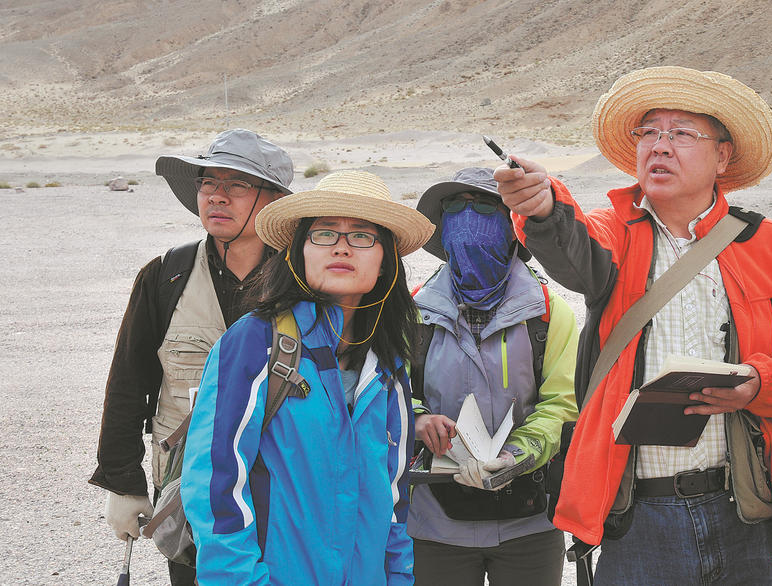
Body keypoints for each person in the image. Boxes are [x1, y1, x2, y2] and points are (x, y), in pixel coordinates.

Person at [494, 66, 772, 583]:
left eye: (681, 133)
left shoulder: (768, 244)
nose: (659, 146)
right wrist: (544, 206)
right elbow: (573, 251)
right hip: (641, 521)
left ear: (722, 156)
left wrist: (758, 383)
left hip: (752, 509)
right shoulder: (614, 232)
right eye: (649, 132)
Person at [180, 170, 434, 584]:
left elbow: (394, 493)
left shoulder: (388, 365)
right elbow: (215, 483)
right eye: (324, 233)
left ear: (385, 260)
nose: (342, 247)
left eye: (362, 236)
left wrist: (398, 577)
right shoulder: (255, 342)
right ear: (299, 251)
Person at [90, 128, 292, 584]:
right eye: (208, 182)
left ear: (275, 201)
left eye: (237, 184)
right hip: (187, 492)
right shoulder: (165, 276)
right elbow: (128, 383)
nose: (217, 196)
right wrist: (123, 482)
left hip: (281, 488)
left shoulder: (303, 282)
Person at [407, 167, 579, 585]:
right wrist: (418, 420)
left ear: (511, 226)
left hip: (531, 524)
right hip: (435, 524)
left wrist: (516, 456)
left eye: (485, 207)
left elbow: (563, 404)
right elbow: (389, 392)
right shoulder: (413, 313)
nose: (468, 219)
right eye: (456, 208)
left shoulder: (548, 312)